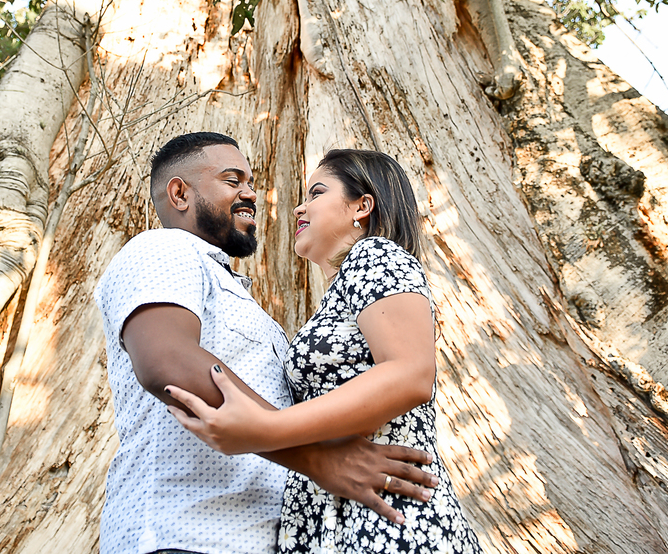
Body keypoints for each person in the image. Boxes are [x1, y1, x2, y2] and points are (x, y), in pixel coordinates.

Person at [95, 133, 439, 554]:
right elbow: (168, 362)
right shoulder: (162, 249)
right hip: (187, 534)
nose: (251, 193)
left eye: (251, 182)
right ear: (180, 192)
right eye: (232, 180)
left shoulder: (249, 300)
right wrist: (316, 461)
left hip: (276, 536)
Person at [167, 148, 483, 553]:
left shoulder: (376, 256)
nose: (300, 207)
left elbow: (412, 373)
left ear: (362, 206)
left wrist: (266, 430)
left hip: (388, 520)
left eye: (316, 192)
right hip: (337, 521)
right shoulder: (339, 294)